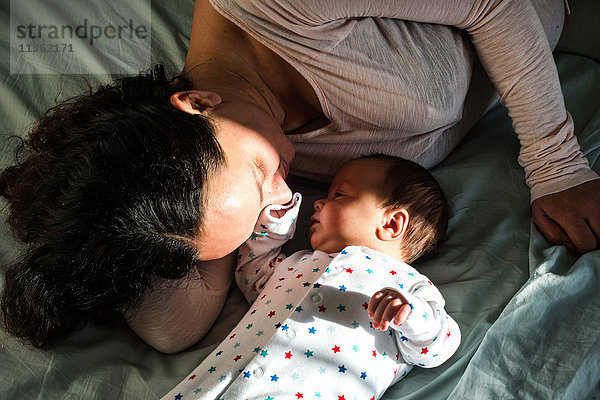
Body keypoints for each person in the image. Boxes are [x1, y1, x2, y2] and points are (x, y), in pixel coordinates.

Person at [1, 0, 599, 354]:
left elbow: (497, 6)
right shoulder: (205, 177)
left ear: (197, 102)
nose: (287, 198)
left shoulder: (286, 10)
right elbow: (170, 330)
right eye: (263, 205)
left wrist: (557, 165)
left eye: (264, 171)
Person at [161, 155, 460, 400]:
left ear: (392, 223)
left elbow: (437, 347)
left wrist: (411, 315)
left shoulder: (408, 285)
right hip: (213, 387)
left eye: (338, 195)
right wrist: (273, 225)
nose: (318, 203)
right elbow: (252, 273)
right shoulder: (297, 262)